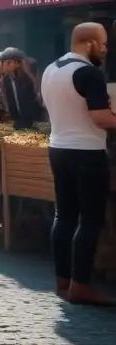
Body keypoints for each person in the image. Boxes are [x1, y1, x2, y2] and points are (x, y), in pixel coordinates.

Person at [40, 22, 116, 306]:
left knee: (64, 216)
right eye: (103, 43)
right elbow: (101, 118)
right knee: (91, 220)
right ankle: (81, 285)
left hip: (58, 147)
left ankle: (62, 281)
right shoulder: (89, 73)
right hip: (87, 151)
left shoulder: (51, 69)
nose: (106, 49)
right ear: (89, 44)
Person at [0, 47, 40, 128]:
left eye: (4, 62)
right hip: (18, 122)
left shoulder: (28, 78)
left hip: (35, 123)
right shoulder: (7, 79)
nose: (2, 65)